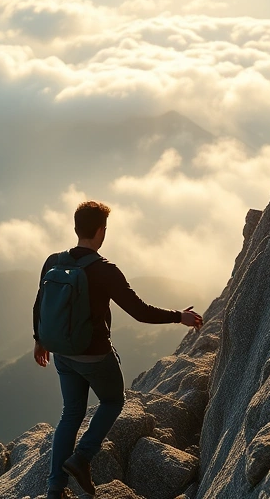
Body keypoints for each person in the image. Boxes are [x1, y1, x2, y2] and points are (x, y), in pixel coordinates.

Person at [32, 201, 204, 499]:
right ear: (101, 231)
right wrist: (179, 316)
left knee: (70, 415)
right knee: (113, 401)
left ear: (76, 228)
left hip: (62, 353)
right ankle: (82, 456)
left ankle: (54, 488)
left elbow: (40, 303)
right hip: (95, 355)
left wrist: (39, 339)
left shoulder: (52, 261)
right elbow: (139, 311)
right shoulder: (104, 269)